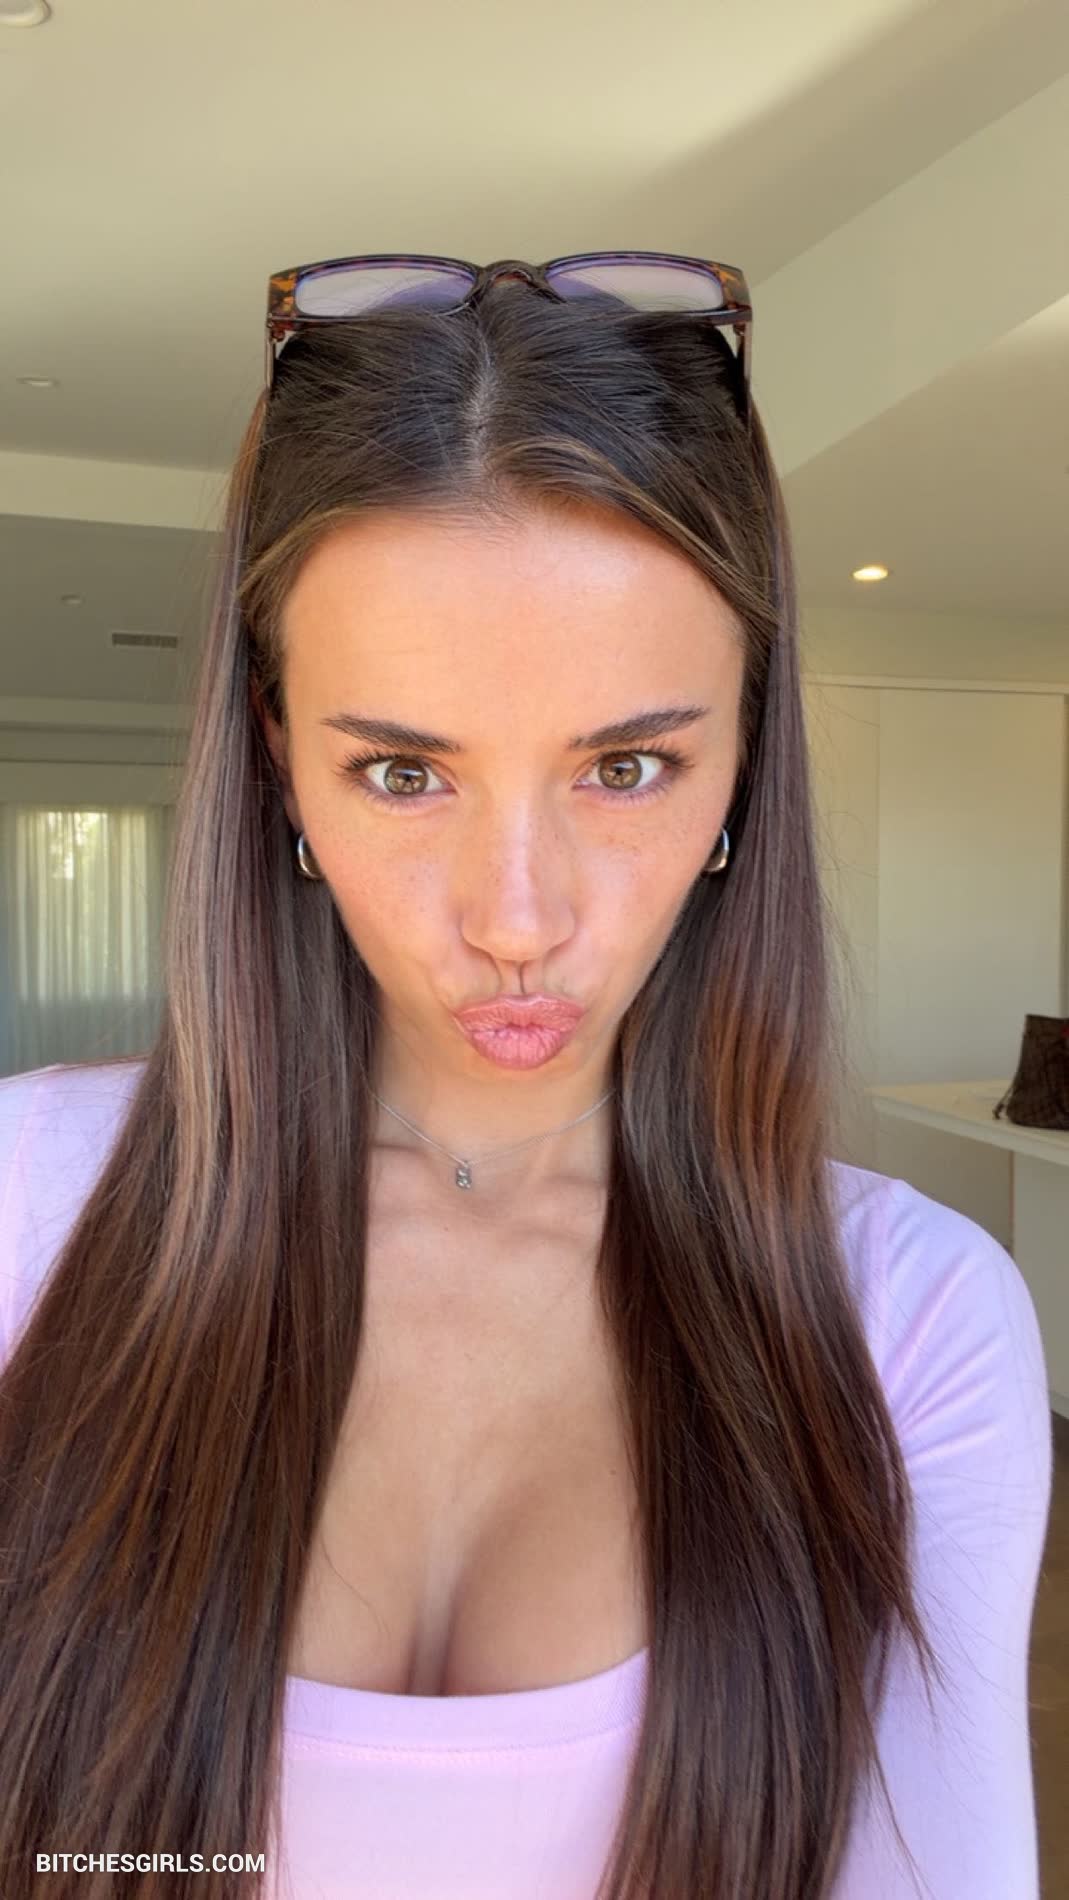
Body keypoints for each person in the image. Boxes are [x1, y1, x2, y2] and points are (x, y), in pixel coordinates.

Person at [0, 255, 1053, 1900]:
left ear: (742, 765)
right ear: (278, 757)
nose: (514, 920)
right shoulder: (25, 1208)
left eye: (626, 766)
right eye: (399, 772)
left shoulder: (906, 1322)